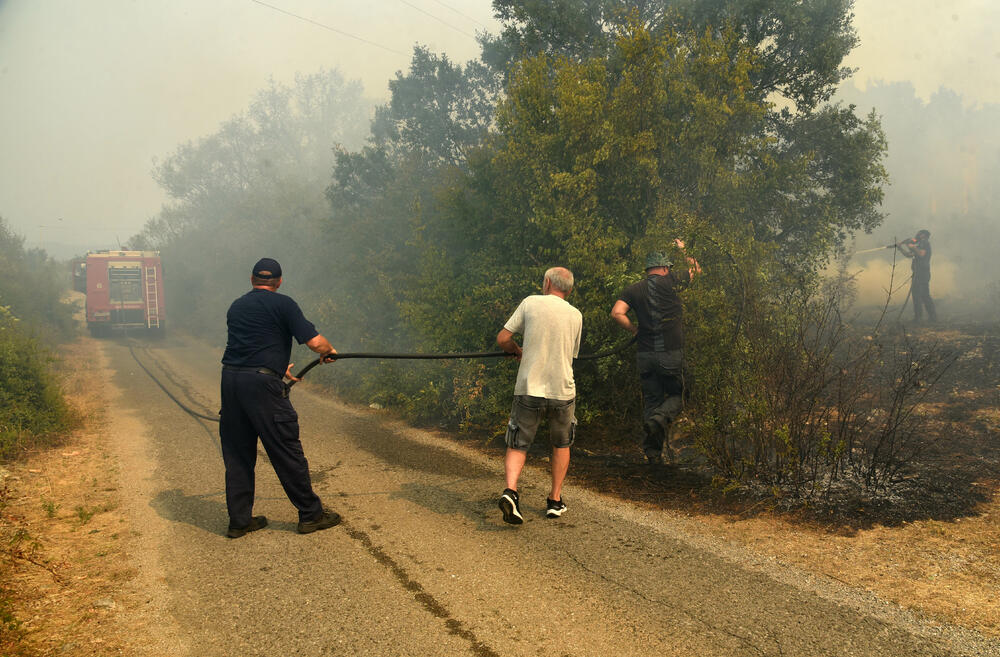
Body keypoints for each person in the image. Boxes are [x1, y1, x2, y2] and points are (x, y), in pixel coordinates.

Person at [219, 257, 341, 538]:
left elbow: (251, 344)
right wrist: (329, 350)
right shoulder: (284, 304)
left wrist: (275, 368)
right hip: (261, 386)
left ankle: (239, 521)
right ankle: (311, 515)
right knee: (285, 449)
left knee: (237, 453)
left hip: (231, 380)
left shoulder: (236, 306)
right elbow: (316, 343)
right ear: (279, 282)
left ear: (252, 280)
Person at [496, 267, 583, 524]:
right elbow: (571, 354)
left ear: (547, 283)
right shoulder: (576, 315)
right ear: (568, 289)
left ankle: (511, 492)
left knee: (518, 442)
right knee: (561, 443)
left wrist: (516, 350)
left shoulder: (531, 302)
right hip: (562, 390)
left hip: (529, 388)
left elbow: (503, 338)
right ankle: (555, 501)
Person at [610, 241, 700, 465]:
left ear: (648, 269)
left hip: (645, 355)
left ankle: (652, 454)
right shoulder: (672, 280)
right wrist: (683, 248)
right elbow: (697, 270)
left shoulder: (633, 289)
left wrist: (635, 330)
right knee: (681, 394)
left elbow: (616, 313)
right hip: (670, 352)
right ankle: (660, 419)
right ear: (665, 268)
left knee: (652, 400)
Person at [896, 229, 937, 323]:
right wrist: (901, 248)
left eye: (920, 233)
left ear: (924, 235)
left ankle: (931, 317)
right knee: (916, 295)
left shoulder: (925, 243)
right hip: (917, 273)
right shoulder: (919, 245)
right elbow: (909, 255)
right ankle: (919, 317)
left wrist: (911, 246)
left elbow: (921, 254)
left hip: (922, 273)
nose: (917, 235)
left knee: (924, 295)